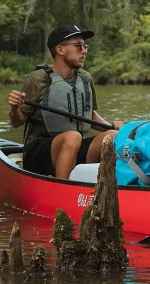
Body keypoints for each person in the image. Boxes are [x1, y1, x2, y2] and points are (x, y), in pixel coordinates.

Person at [8, 25, 122, 178]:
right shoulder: (38, 79)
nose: (84, 51)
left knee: (112, 137)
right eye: (78, 46)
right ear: (60, 50)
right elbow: (17, 121)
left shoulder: (86, 78)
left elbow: (89, 115)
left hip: (75, 145)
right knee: (72, 137)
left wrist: (112, 127)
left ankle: (102, 188)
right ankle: (63, 189)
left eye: (84, 46)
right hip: (39, 152)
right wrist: (15, 108)